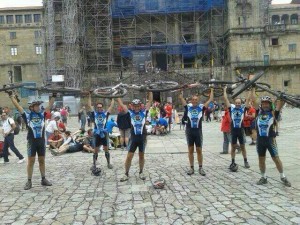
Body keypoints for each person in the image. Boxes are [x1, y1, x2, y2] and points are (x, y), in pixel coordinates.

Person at [8, 93, 55, 190]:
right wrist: (11, 97)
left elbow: (49, 106)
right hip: (31, 142)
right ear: (32, 107)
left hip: (41, 141)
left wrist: (53, 96)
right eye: (36, 106)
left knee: (42, 161)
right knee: (31, 161)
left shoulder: (42, 115)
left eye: (39, 105)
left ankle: (43, 179)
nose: (38, 107)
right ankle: (29, 181)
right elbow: (18, 106)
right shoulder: (27, 116)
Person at [252, 94, 291, 187]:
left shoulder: (274, 113)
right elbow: (254, 100)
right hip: (260, 141)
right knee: (261, 159)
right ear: (262, 104)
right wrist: (252, 88)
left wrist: (282, 97)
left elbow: (280, 105)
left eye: (267, 103)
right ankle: (263, 177)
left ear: (270, 104)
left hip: (270, 140)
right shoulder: (258, 112)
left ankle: (283, 177)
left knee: (276, 159)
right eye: (264, 103)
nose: (265, 105)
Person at [117, 92, 153, 182]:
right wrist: (117, 93)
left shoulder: (144, 112)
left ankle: (141, 172)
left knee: (141, 156)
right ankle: (126, 174)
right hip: (133, 138)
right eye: (135, 106)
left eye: (138, 106)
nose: (136, 107)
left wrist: (150, 90)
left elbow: (150, 101)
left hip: (142, 138)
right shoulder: (130, 113)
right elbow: (121, 103)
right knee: (129, 156)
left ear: (140, 106)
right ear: (132, 106)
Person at [178, 90, 214, 176]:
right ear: (191, 101)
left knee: (199, 150)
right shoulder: (188, 107)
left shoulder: (201, 107)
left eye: (196, 100)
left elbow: (211, 99)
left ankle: (201, 167)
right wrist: (181, 89)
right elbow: (181, 97)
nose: (194, 101)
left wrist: (212, 89)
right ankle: (191, 167)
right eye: (193, 100)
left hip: (198, 131)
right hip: (189, 131)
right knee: (190, 150)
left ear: (198, 101)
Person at [223, 87, 251, 171]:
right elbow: (225, 98)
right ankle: (232, 161)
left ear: (241, 103)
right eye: (236, 103)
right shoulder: (231, 108)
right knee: (233, 147)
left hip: (241, 130)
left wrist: (249, 89)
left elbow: (248, 99)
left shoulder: (243, 108)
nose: (238, 104)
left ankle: (245, 161)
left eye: (239, 103)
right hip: (233, 130)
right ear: (234, 103)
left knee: (243, 147)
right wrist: (224, 90)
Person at [87, 96, 114, 170]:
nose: (99, 108)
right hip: (97, 134)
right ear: (97, 108)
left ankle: (108, 163)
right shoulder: (94, 114)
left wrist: (113, 98)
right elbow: (89, 105)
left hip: (104, 134)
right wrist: (89, 95)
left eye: (100, 107)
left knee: (106, 149)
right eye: (98, 107)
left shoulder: (105, 114)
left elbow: (111, 106)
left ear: (102, 108)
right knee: (95, 150)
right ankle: (94, 164)